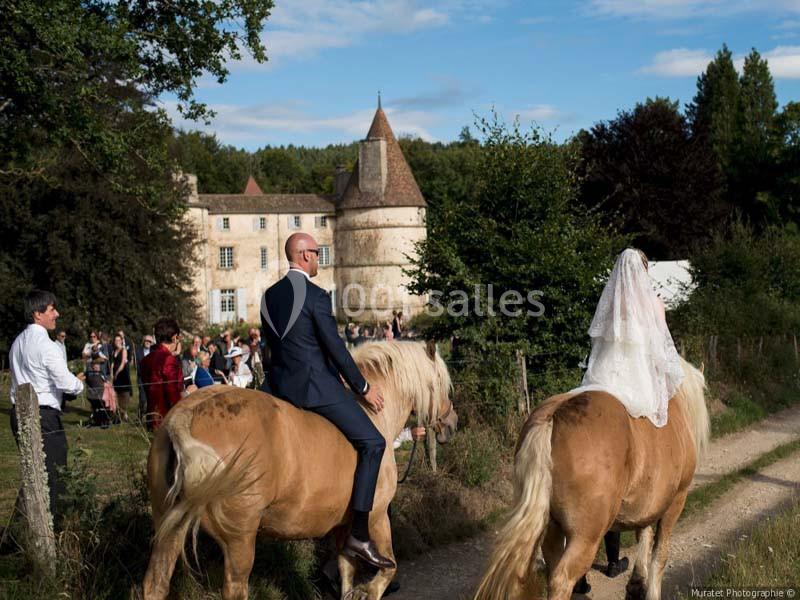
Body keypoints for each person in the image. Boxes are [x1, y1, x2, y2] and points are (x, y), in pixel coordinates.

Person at [260, 232, 394, 570]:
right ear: (303, 255)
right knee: (373, 443)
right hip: (314, 389)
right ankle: (359, 535)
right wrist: (363, 387)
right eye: (317, 253)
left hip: (276, 387)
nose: (320, 259)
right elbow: (335, 349)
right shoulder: (316, 296)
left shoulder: (268, 297)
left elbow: (269, 351)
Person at [570, 249, 684, 591]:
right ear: (644, 274)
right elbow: (663, 354)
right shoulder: (653, 305)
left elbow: (601, 346)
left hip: (606, 377)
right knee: (659, 428)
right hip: (637, 381)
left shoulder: (612, 305)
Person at [9, 290, 85, 524]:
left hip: (19, 413)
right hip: (43, 415)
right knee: (53, 473)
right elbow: (65, 382)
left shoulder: (17, 342)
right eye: (51, 310)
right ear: (37, 314)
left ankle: (19, 530)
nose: (57, 314)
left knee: (34, 473)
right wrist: (79, 384)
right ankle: (51, 528)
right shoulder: (46, 345)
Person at [139, 318, 184, 431]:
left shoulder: (146, 359)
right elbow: (172, 394)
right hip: (167, 420)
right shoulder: (169, 359)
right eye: (178, 338)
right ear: (174, 337)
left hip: (151, 417)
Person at [111, 333, 132, 422]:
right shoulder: (113, 351)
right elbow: (112, 364)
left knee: (124, 394)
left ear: (121, 341)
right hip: (115, 376)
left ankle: (124, 414)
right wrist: (112, 373)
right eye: (116, 340)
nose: (117, 342)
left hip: (122, 374)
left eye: (119, 340)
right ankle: (118, 413)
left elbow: (123, 363)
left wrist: (116, 373)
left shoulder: (124, 350)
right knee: (116, 394)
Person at [135, 334, 155, 420]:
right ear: (143, 341)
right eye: (146, 341)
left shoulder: (154, 351)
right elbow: (137, 365)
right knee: (142, 399)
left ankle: (149, 417)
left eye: (150, 341)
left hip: (151, 379)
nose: (148, 342)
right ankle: (139, 416)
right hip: (142, 378)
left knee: (151, 399)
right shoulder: (138, 351)